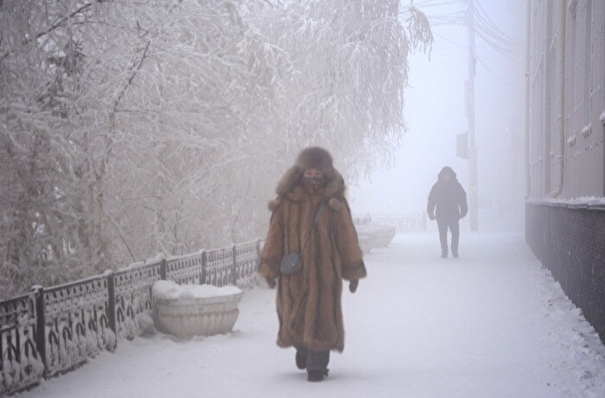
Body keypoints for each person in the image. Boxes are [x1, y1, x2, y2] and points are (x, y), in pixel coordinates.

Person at [258, 146, 367, 382]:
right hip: (294, 272)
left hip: (325, 273)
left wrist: (353, 270)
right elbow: (275, 235)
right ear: (301, 173)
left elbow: (347, 237)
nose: (314, 178)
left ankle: (317, 365)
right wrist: (269, 267)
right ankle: (302, 348)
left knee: (321, 316)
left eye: (318, 174)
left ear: (325, 174)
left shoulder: (334, 203)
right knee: (293, 316)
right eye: (309, 173)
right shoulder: (288, 201)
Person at [427, 166, 468, 258]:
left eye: (448, 175)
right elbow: (431, 199)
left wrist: (464, 210)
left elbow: (462, 198)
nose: (446, 177)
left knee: (455, 233)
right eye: (445, 175)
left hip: (453, 214)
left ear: (451, 176)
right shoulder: (437, 186)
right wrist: (430, 211)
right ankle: (444, 251)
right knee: (442, 233)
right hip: (441, 214)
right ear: (441, 176)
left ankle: (454, 251)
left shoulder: (456, 186)